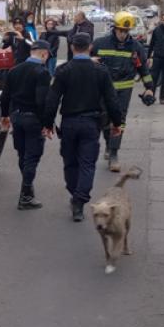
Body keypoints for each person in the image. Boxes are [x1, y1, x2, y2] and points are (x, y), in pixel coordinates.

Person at [43, 33, 124, 222]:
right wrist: (117, 123)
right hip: (91, 124)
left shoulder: (63, 70)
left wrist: (48, 124)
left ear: (71, 48)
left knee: (70, 162)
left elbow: (52, 99)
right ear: (90, 48)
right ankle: (79, 201)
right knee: (87, 164)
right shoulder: (101, 71)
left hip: (69, 123)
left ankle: (75, 195)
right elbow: (112, 100)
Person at [92, 11, 155, 172]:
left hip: (123, 92)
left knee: (118, 121)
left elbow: (144, 70)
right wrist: (88, 60)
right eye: (121, 30)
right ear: (115, 28)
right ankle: (108, 144)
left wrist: (149, 89)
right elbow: (82, 61)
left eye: (126, 31)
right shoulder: (100, 43)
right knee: (104, 120)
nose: (123, 34)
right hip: (102, 91)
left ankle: (114, 154)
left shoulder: (136, 47)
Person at [0, 40, 52, 210]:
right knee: (32, 157)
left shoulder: (14, 70)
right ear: (44, 54)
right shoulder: (42, 72)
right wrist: (47, 123)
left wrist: (5, 115)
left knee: (22, 154)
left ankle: (28, 190)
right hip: (33, 119)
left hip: (17, 117)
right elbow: (41, 101)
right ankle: (25, 195)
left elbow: (5, 96)